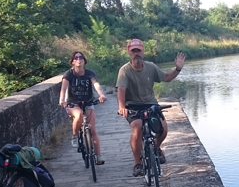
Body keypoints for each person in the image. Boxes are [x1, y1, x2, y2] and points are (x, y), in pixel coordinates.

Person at [116, 39, 186, 177]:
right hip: (133, 105)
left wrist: (178, 69)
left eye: (139, 50)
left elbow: (166, 77)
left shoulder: (151, 67)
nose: (136, 53)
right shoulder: (124, 70)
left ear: (143, 51)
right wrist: (121, 106)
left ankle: (156, 147)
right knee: (137, 127)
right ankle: (137, 164)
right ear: (129, 52)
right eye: (133, 51)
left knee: (163, 128)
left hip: (150, 104)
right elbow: (121, 90)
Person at [59, 51, 107, 165]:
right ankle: (75, 136)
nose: (79, 59)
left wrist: (101, 95)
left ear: (84, 60)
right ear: (72, 61)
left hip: (88, 102)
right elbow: (63, 89)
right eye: (76, 58)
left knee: (93, 129)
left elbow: (96, 85)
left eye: (81, 57)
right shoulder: (68, 74)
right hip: (73, 103)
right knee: (79, 114)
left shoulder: (90, 73)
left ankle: (98, 156)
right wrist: (62, 101)